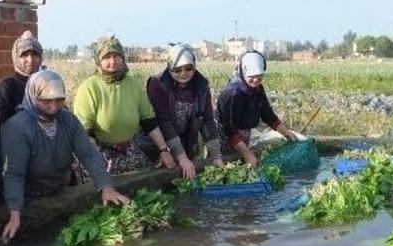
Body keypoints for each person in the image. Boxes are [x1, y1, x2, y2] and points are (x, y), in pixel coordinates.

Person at [0, 70, 129, 243]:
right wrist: (15, 213)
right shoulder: (18, 127)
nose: (54, 107)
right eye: (46, 101)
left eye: (59, 100)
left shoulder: (68, 120)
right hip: (27, 196)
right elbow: (13, 173)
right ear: (33, 96)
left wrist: (106, 186)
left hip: (58, 189)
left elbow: (88, 153)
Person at [72, 35, 176, 174]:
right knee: (104, 184)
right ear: (98, 60)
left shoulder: (132, 85)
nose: (112, 61)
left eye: (116, 56)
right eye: (106, 57)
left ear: (123, 58)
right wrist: (95, 164)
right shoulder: (89, 88)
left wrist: (164, 150)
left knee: (146, 179)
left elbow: (149, 121)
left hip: (129, 149)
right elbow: (84, 132)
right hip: (98, 151)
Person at [142, 44, 223, 179]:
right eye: (177, 70)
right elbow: (164, 122)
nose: (183, 73)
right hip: (161, 147)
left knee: (188, 178)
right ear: (169, 67)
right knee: (163, 179)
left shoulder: (201, 85)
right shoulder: (158, 84)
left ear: (194, 66)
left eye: (188, 68)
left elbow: (207, 120)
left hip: (186, 143)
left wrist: (216, 155)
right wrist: (181, 157)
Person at [215, 50, 298, 166]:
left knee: (243, 164)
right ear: (243, 72)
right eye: (251, 76)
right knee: (227, 165)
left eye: (259, 77)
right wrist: (247, 154)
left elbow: (268, 115)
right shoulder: (232, 94)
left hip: (243, 133)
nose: (256, 80)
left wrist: (286, 133)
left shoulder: (257, 89)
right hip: (226, 136)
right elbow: (229, 130)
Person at [0, 30, 44, 123]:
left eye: (34, 54)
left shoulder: (46, 85)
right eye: (24, 55)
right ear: (16, 57)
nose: (30, 60)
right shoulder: (7, 87)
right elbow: (1, 124)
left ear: (40, 57)